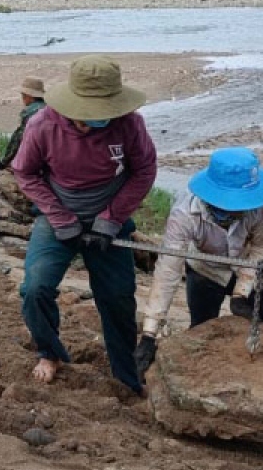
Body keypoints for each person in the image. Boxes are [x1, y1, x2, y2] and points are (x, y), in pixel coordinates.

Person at [12, 55, 157, 394]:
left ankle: (126, 376)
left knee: (118, 298)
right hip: (58, 217)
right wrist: (60, 217)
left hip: (109, 219)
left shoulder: (130, 125)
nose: (97, 119)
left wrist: (111, 219)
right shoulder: (43, 125)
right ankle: (50, 352)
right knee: (34, 288)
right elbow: (25, 172)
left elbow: (144, 171)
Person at [133, 147, 263, 381]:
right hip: (204, 269)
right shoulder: (185, 214)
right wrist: (149, 333)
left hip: (251, 266)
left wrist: (242, 290)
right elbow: (168, 269)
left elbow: (261, 249)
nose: (234, 211)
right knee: (202, 331)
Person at [0, 76, 47, 170]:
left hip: (36, 161)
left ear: (28, 96)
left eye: (23, 95)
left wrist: (3, 161)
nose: (22, 98)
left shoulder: (29, 112)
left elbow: (17, 139)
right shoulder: (50, 108)